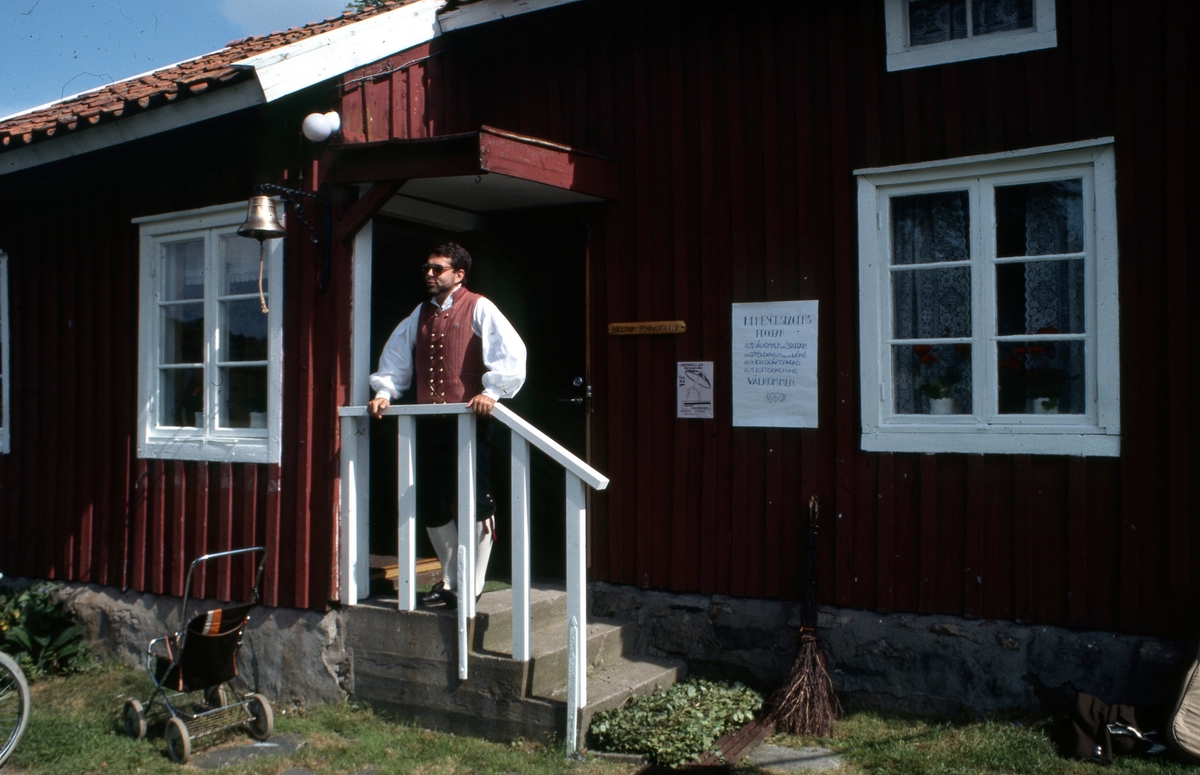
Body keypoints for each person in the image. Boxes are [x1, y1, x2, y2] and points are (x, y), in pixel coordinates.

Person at [368, 243, 526, 609]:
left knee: (476, 502)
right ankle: (452, 578)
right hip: (429, 424)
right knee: (433, 503)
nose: (429, 274)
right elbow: (395, 360)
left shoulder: (479, 307)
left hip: (470, 422)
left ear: (459, 275)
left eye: (438, 269)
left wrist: (493, 391)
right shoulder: (418, 315)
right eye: (427, 267)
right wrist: (385, 392)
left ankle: (472, 584)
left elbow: (511, 354)